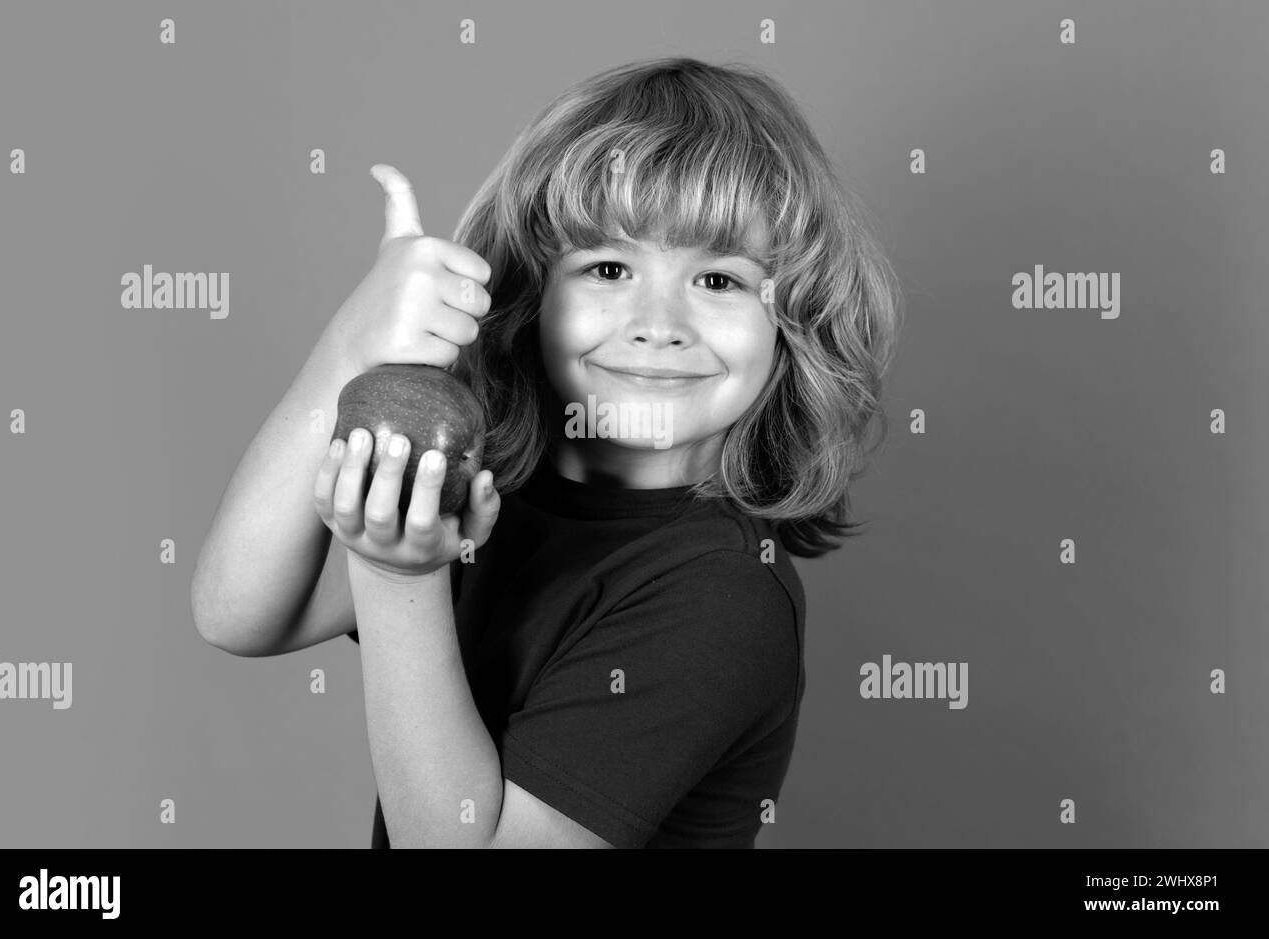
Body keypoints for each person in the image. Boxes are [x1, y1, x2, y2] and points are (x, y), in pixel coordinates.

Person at [191, 56, 902, 849]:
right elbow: (238, 610)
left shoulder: (721, 595)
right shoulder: (494, 488)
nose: (658, 322)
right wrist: (351, 350)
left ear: (793, 326)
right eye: (608, 267)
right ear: (531, 296)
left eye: (721, 281)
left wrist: (399, 577)